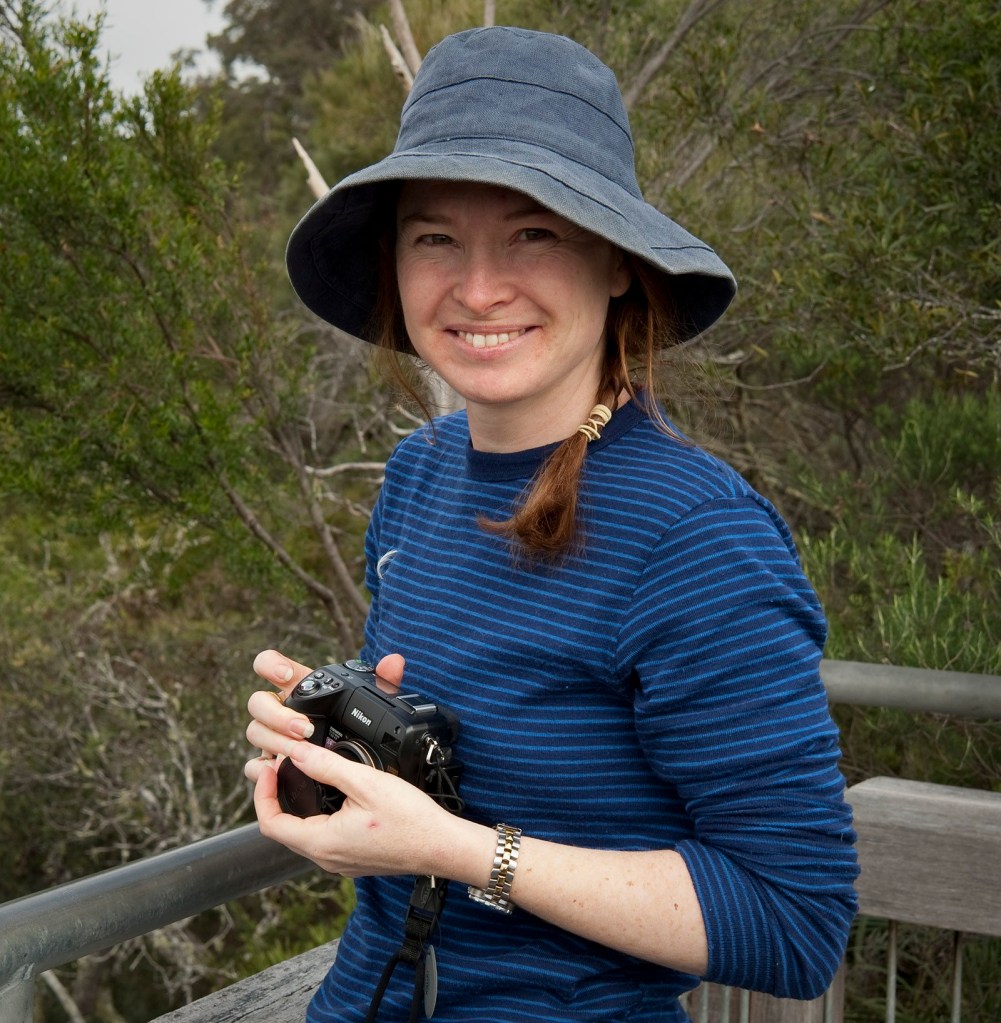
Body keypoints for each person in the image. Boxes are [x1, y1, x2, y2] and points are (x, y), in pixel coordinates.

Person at [245, 25, 859, 1023]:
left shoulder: (695, 537)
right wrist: (332, 758)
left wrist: (450, 849)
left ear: (616, 264)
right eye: (433, 237)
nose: (477, 288)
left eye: (534, 233)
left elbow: (794, 924)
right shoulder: (420, 473)